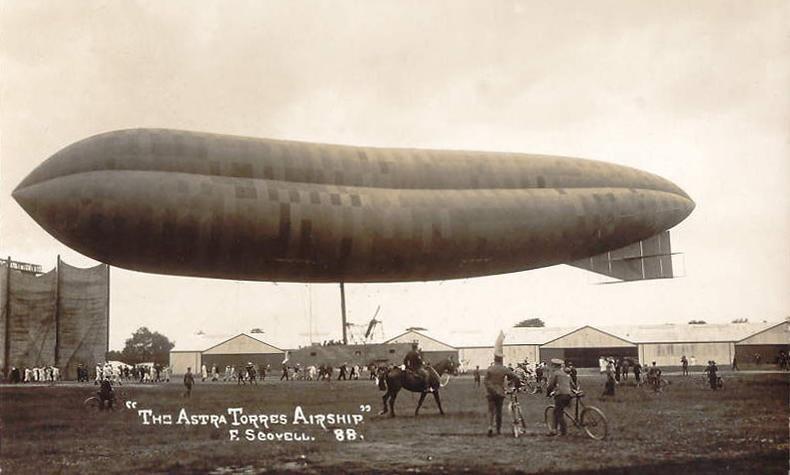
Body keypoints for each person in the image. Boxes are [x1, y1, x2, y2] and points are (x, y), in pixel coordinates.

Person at [484, 332, 519, 437]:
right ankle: (498, 430)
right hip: (500, 392)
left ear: (494, 359)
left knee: (491, 410)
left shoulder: (490, 368)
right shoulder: (504, 369)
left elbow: (485, 381)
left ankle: (490, 427)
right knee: (499, 411)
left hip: (490, 393)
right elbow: (516, 377)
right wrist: (516, 386)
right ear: (501, 359)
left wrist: (490, 388)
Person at [547, 358, 577, 436]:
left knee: (558, 413)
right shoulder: (566, 374)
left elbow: (551, 385)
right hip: (569, 395)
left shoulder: (555, 373)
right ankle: (554, 430)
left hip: (561, 395)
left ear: (554, 366)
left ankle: (563, 432)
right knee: (557, 411)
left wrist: (548, 393)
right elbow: (573, 384)